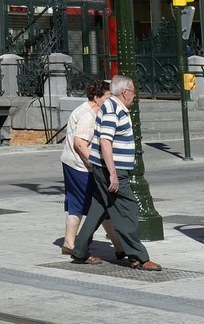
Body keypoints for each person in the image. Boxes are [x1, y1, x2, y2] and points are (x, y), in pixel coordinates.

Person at [70, 75, 162, 272]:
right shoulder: (113, 109)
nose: (135, 97)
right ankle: (138, 256)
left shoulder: (112, 106)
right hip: (112, 170)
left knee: (98, 209)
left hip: (103, 168)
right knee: (128, 209)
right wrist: (112, 173)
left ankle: (79, 251)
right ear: (125, 92)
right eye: (134, 92)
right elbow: (105, 141)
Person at [60, 79, 125, 260]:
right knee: (99, 205)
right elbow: (80, 143)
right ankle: (74, 245)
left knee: (77, 205)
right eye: (107, 97)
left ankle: (69, 243)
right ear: (96, 97)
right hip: (82, 168)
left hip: (71, 163)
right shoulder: (89, 115)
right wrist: (93, 164)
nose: (110, 101)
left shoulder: (83, 109)